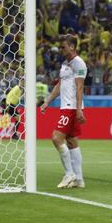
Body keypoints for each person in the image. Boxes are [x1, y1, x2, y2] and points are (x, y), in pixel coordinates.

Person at [40, 34, 87, 189]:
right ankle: (79, 179)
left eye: (64, 46)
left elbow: (80, 87)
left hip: (71, 107)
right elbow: (59, 86)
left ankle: (69, 173)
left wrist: (79, 109)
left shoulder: (79, 63)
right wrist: (47, 102)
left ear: (72, 46)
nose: (61, 49)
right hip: (66, 106)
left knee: (56, 137)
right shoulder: (65, 64)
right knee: (72, 141)